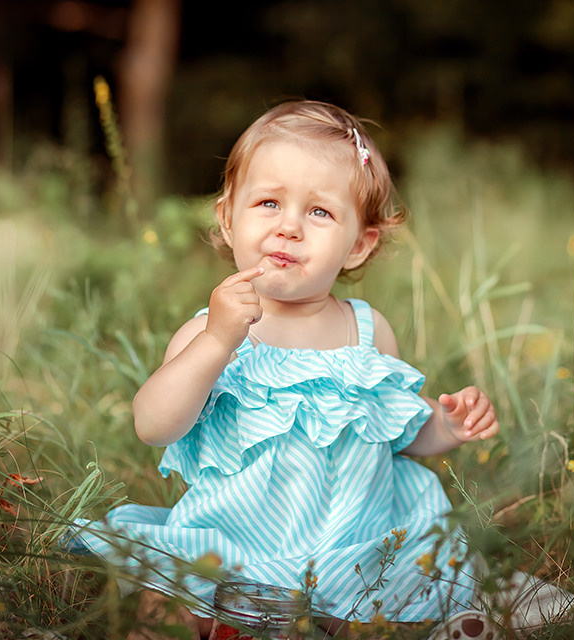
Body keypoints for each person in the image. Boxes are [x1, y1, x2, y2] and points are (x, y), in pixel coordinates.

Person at [64, 100, 500, 637]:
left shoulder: (367, 332)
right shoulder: (209, 334)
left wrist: (446, 426)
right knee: (171, 604)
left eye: (319, 213)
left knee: (377, 608)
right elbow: (154, 425)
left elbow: (396, 430)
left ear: (358, 245)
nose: (289, 227)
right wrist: (217, 342)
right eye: (269, 202)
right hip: (232, 545)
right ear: (228, 219)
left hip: (348, 549)